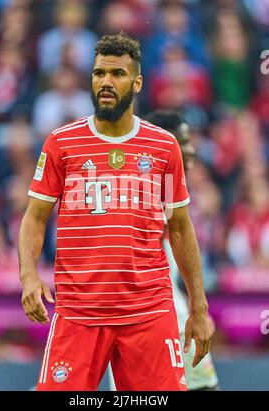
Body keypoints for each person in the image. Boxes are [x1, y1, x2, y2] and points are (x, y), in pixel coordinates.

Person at [18, 32, 213, 391]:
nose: (106, 82)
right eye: (99, 74)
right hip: (78, 313)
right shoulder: (61, 143)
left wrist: (199, 308)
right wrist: (29, 276)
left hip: (149, 313)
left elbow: (182, 228)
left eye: (118, 74)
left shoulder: (164, 146)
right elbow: (35, 216)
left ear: (137, 81)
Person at [144, 110, 220, 391]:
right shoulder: (147, 188)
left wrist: (195, 304)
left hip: (176, 309)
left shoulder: (179, 189)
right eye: (183, 141)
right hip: (148, 317)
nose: (191, 149)